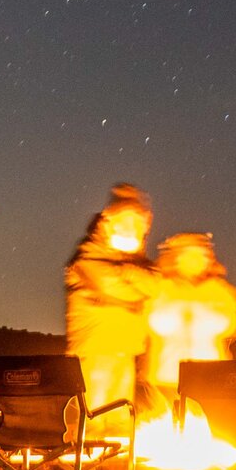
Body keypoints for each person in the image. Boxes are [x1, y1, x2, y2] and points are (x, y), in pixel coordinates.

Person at [63, 183, 158, 433]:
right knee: (92, 423)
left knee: (119, 424)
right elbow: (111, 286)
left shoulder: (137, 261)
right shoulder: (88, 256)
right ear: (108, 221)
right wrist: (132, 281)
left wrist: (129, 274)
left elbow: (155, 286)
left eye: (138, 223)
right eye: (126, 220)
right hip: (95, 353)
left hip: (124, 352)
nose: (132, 229)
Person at [142, 232, 236, 402]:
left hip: (210, 376)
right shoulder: (160, 288)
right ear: (176, 258)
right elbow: (145, 321)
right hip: (165, 378)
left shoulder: (219, 290)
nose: (194, 260)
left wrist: (217, 319)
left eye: (199, 255)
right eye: (188, 255)